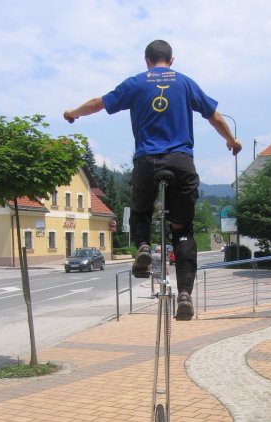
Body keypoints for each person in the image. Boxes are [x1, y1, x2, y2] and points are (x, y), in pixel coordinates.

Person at [64, 39, 242, 321]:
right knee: (183, 231)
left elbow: (99, 103)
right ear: (171, 60)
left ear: (146, 60)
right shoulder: (185, 83)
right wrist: (231, 140)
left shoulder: (136, 83)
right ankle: (185, 294)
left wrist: (73, 112)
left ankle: (144, 247)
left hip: (147, 163)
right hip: (181, 162)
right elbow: (215, 117)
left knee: (141, 212)